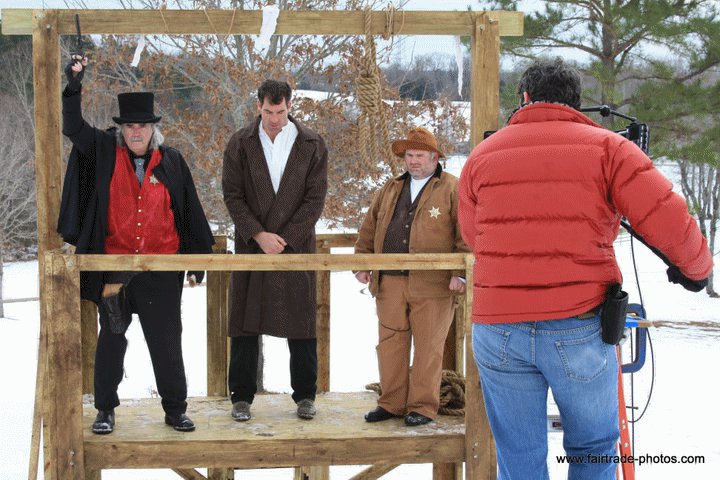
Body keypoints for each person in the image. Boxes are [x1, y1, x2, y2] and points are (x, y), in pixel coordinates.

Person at [458, 58, 713, 479]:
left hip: (498, 327)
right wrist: (696, 269)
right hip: (577, 323)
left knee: (518, 455)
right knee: (593, 447)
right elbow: (666, 213)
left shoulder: (483, 155)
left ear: (524, 98)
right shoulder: (608, 148)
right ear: (577, 102)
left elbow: (473, 235)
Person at [58, 55, 214, 434]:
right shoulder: (103, 153)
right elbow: (73, 126)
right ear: (122, 129)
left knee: (166, 341)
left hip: (161, 269)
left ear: (152, 128)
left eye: (142, 125)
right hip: (115, 268)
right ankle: (105, 410)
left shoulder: (172, 161)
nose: (136, 132)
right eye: (129, 126)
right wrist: (74, 84)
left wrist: (197, 261)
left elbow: (188, 210)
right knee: (111, 339)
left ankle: (175, 409)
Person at [222, 79, 328, 421]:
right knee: (245, 322)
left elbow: (315, 199)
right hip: (252, 247)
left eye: (281, 111)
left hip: (295, 248)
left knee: (300, 321)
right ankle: (241, 396)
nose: (274, 119)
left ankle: (305, 395)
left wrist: (286, 239)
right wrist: (258, 234)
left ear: (290, 106)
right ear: (258, 106)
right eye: (268, 111)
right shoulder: (239, 143)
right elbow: (232, 197)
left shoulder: (312, 143)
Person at [354, 127, 469, 427]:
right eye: (409, 155)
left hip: (433, 284)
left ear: (434, 157)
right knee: (390, 343)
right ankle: (391, 402)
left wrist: (461, 273)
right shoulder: (390, 188)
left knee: (429, 346)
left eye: (419, 155)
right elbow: (369, 227)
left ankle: (423, 406)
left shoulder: (453, 188)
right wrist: (361, 261)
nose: (413, 161)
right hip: (389, 281)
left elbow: (466, 234)